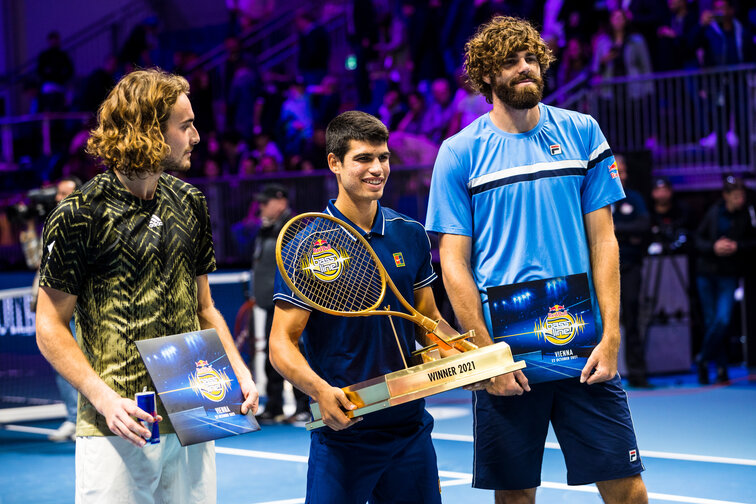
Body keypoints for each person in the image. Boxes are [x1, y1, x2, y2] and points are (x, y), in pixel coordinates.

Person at [425, 16, 648, 503]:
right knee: (515, 497)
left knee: (628, 491)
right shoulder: (459, 153)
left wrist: (612, 336)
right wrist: (485, 357)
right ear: (486, 77)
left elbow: (604, 241)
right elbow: (453, 263)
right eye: (510, 62)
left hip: (585, 348)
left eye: (531, 59)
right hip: (506, 353)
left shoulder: (582, 132)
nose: (525, 69)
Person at [35, 68, 259, 503]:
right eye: (186, 125)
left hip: (196, 407)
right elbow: (49, 326)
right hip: (121, 418)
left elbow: (205, 307)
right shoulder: (79, 213)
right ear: (150, 131)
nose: (196, 136)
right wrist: (104, 400)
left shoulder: (190, 201)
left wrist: (238, 370)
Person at [269, 110, 463, 503]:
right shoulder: (307, 244)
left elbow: (430, 322)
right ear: (334, 163)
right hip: (343, 432)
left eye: (384, 157)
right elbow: (281, 344)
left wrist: (469, 358)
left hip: (409, 430)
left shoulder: (410, 234)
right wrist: (319, 390)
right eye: (363, 159)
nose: (377, 169)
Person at [252, 183, 309, 424]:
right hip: (269, 303)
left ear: (282, 202)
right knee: (271, 356)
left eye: (266, 203)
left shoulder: (293, 228)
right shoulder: (266, 229)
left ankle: (304, 406)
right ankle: (274, 406)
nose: (261, 207)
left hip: (291, 304)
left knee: (295, 353)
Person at [694, 175, 756, 384]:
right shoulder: (713, 213)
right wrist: (714, 247)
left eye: (742, 195)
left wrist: (737, 246)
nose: (740, 199)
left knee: (722, 320)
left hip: (728, 275)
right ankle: (721, 369)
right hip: (706, 274)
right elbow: (697, 239)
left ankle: (702, 358)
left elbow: (753, 242)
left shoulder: (747, 214)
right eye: (736, 195)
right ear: (726, 195)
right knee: (712, 322)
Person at [612, 155, 651, 388]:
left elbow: (644, 225)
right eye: (617, 171)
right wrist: (628, 233)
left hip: (629, 266)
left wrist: (615, 228)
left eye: (624, 171)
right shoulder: (598, 195)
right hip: (601, 269)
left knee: (633, 317)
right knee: (601, 321)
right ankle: (600, 374)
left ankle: (637, 372)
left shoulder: (634, 198)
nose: (621, 175)